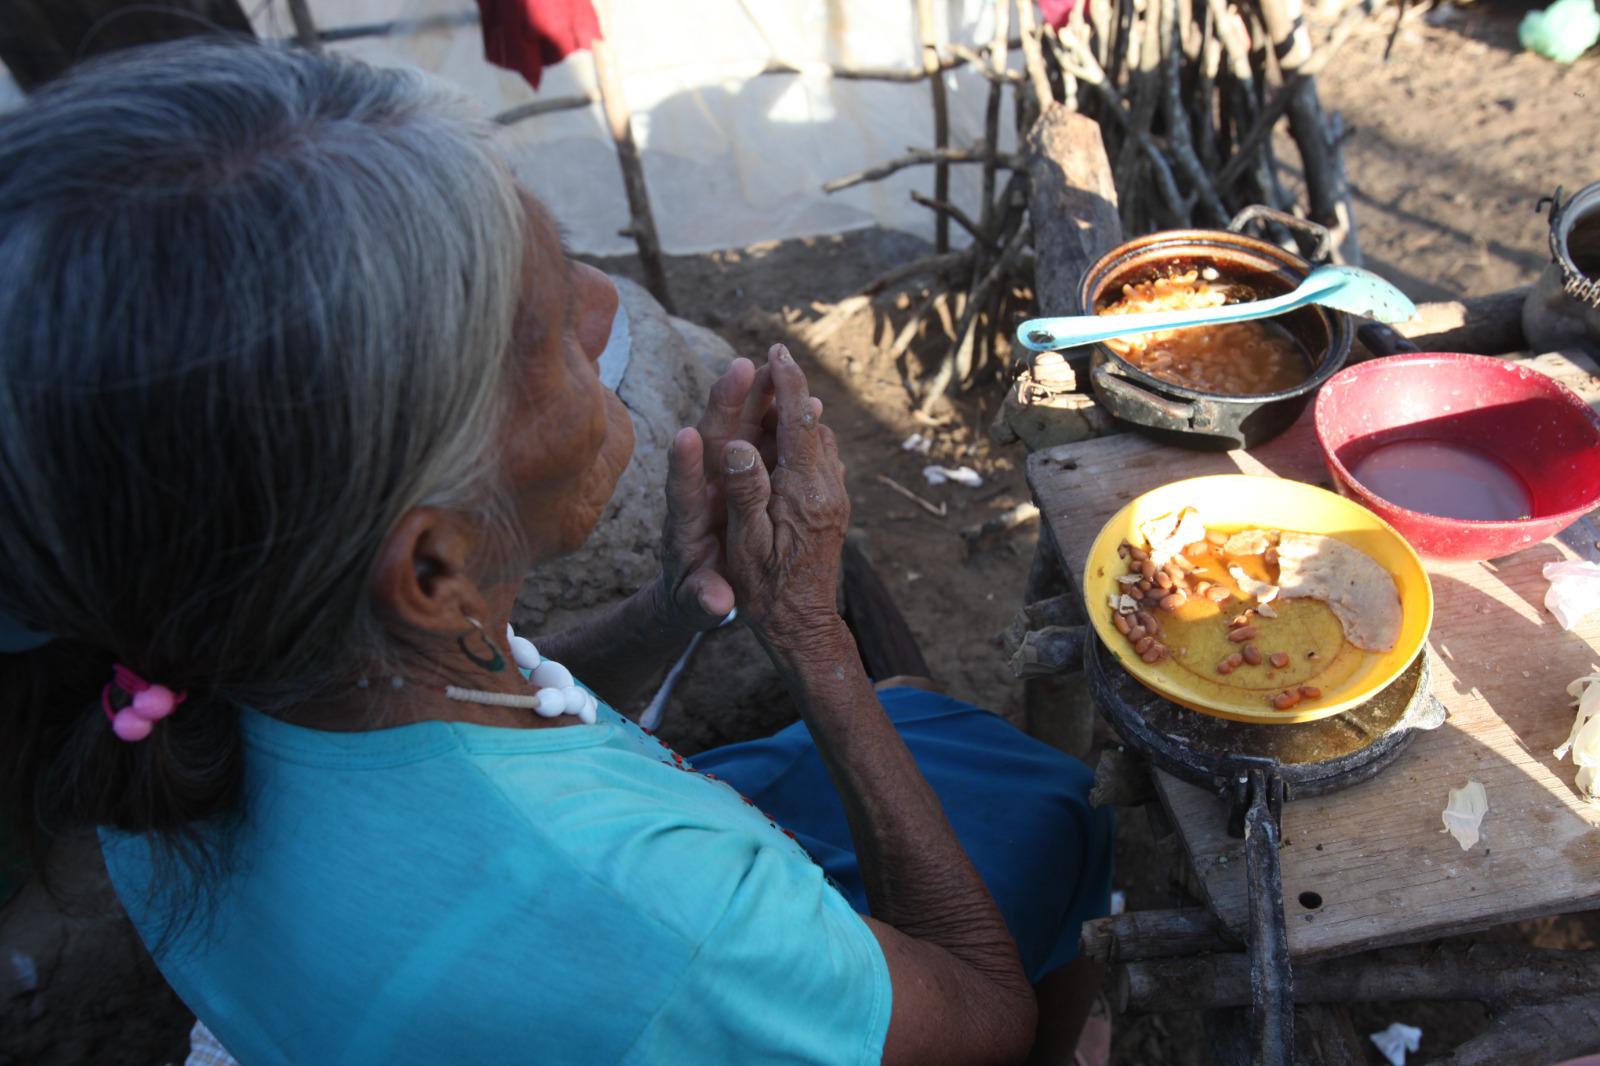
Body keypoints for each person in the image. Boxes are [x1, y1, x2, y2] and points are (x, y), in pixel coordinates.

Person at [0, 41, 1112, 1065]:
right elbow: (982, 1009)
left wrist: (679, 607)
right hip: (649, 963)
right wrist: (814, 641)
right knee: (1063, 817)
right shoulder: (649, 914)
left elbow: (479, 725)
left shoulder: (175, 680)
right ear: (430, 573)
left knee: (954, 745)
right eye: (540, 333)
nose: (600, 309)